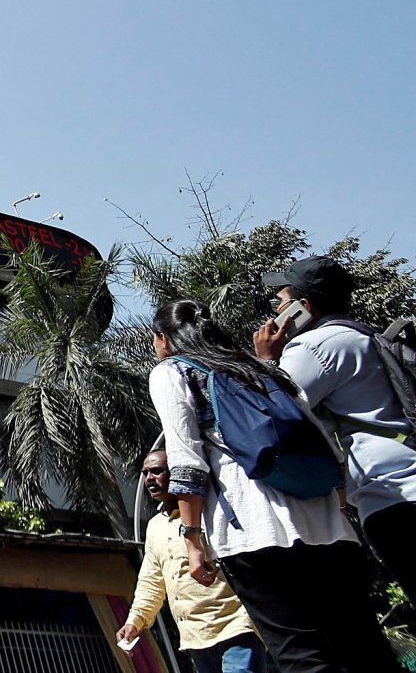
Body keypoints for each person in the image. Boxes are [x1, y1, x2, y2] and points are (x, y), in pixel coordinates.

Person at [148, 299, 398, 672]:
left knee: (300, 652)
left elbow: (186, 463)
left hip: (253, 532)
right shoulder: (264, 371)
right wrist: (343, 511)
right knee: (363, 648)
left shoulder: (172, 371)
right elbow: (326, 444)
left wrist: (192, 539)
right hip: (327, 524)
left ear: (163, 339)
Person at [254, 255, 415, 592]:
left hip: (394, 498)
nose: (274, 311)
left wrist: (267, 360)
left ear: (303, 307)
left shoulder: (314, 347)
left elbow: (270, 412)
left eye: (279, 302)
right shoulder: (364, 336)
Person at [118, 449, 268, 672]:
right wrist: (135, 621)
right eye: (145, 473)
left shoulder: (211, 511)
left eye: (157, 471)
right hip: (195, 639)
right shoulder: (155, 527)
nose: (149, 479)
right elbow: (151, 582)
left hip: (236, 628)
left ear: (177, 472)